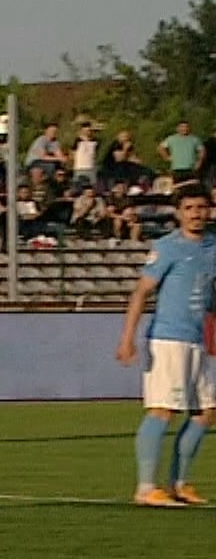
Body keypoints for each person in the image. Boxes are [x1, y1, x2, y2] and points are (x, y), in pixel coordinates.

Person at [114, 183, 215, 507]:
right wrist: (128, 338)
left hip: (197, 340)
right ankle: (145, 488)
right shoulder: (168, 247)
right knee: (162, 409)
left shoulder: (213, 246)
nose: (196, 214)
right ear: (178, 212)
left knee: (206, 412)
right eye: (190, 208)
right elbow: (142, 292)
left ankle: (179, 483)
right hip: (168, 339)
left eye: (201, 207)